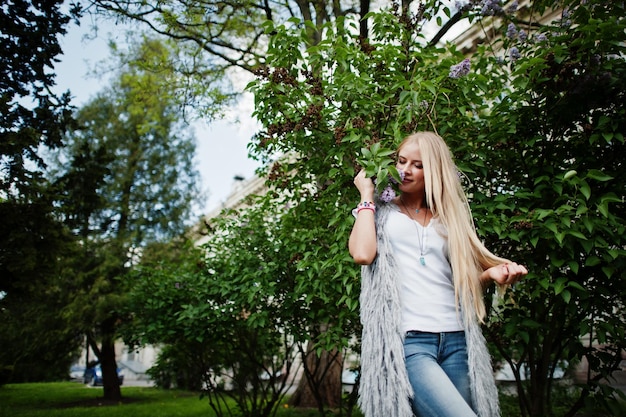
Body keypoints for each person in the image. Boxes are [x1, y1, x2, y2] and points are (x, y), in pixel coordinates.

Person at [349, 131, 527, 417]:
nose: (405, 171)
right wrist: (367, 196)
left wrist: (491, 274)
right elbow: (362, 254)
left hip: (457, 339)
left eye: (418, 165)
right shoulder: (378, 212)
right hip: (410, 342)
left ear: (434, 170)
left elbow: (457, 282)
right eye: (401, 161)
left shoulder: (449, 218)